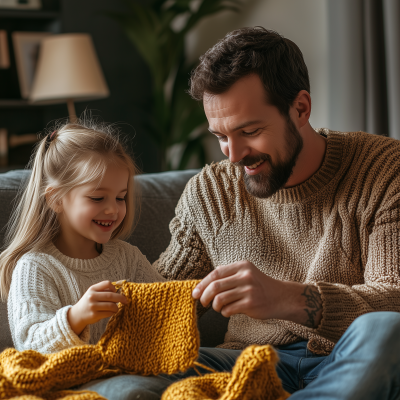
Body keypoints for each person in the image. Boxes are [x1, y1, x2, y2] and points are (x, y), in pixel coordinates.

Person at [152, 27, 400, 399]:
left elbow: (394, 299)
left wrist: (289, 298)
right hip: (244, 364)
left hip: (345, 357)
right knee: (132, 375)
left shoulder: (383, 168)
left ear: (300, 108)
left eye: (249, 130)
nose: (233, 155)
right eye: (220, 136)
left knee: (387, 332)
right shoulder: (210, 192)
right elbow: (163, 299)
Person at [1, 118, 165, 353]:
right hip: (69, 383)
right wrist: (75, 317)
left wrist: (200, 292)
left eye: (120, 197)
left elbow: (164, 310)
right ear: (56, 199)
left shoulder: (128, 258)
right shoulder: (34, 268)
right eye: (97, 198)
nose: (113, 209)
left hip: (128, 371)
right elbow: (30, 346)